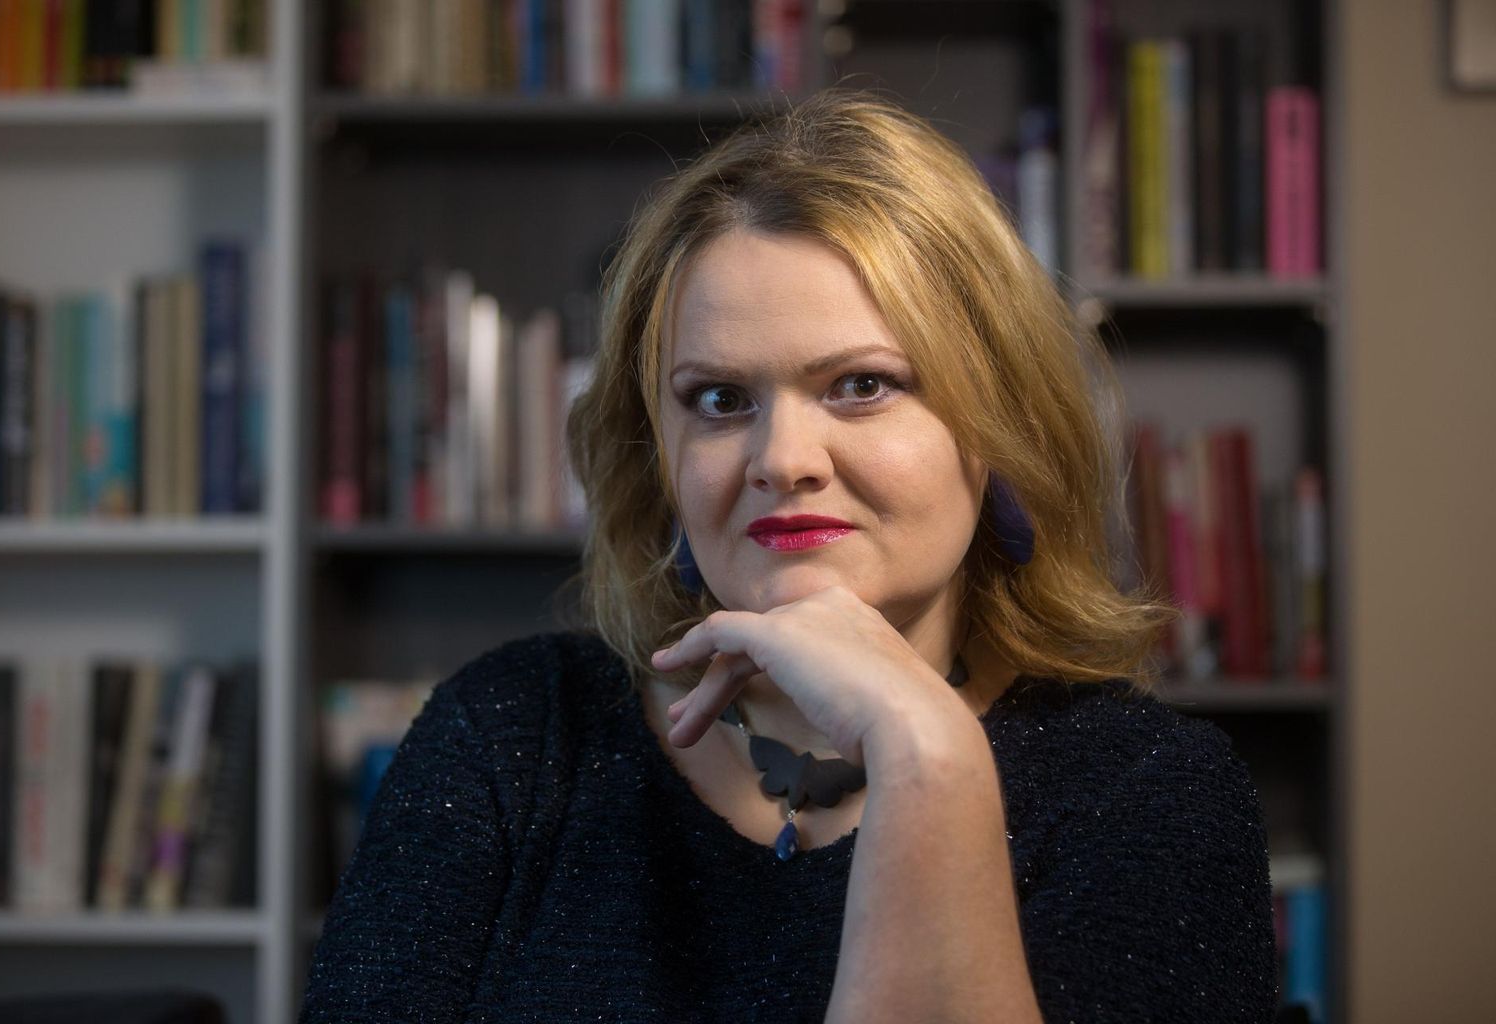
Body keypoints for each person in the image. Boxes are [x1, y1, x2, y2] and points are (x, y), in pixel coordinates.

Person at [298, 89, 1277, 1023]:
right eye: (720, 400)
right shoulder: (506, 735)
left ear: (997, 426)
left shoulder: (1150, 793)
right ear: (659, 454)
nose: (782, 459)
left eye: (862, 385)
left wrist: (927, 756)